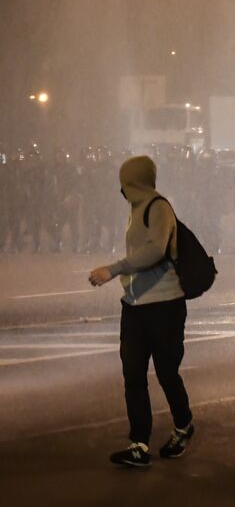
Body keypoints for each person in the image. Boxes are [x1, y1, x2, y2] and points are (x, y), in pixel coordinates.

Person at [87, 155, 194, 469]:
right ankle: (139, 444)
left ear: (133, 181)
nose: (121, 188)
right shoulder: (136, 209)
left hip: (165, 306)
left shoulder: (158, 207)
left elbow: (155, 250)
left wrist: (113, 269)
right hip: (134, 306)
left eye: (124, 181)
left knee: (166, 373)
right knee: (133, 375)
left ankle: (183, 425)